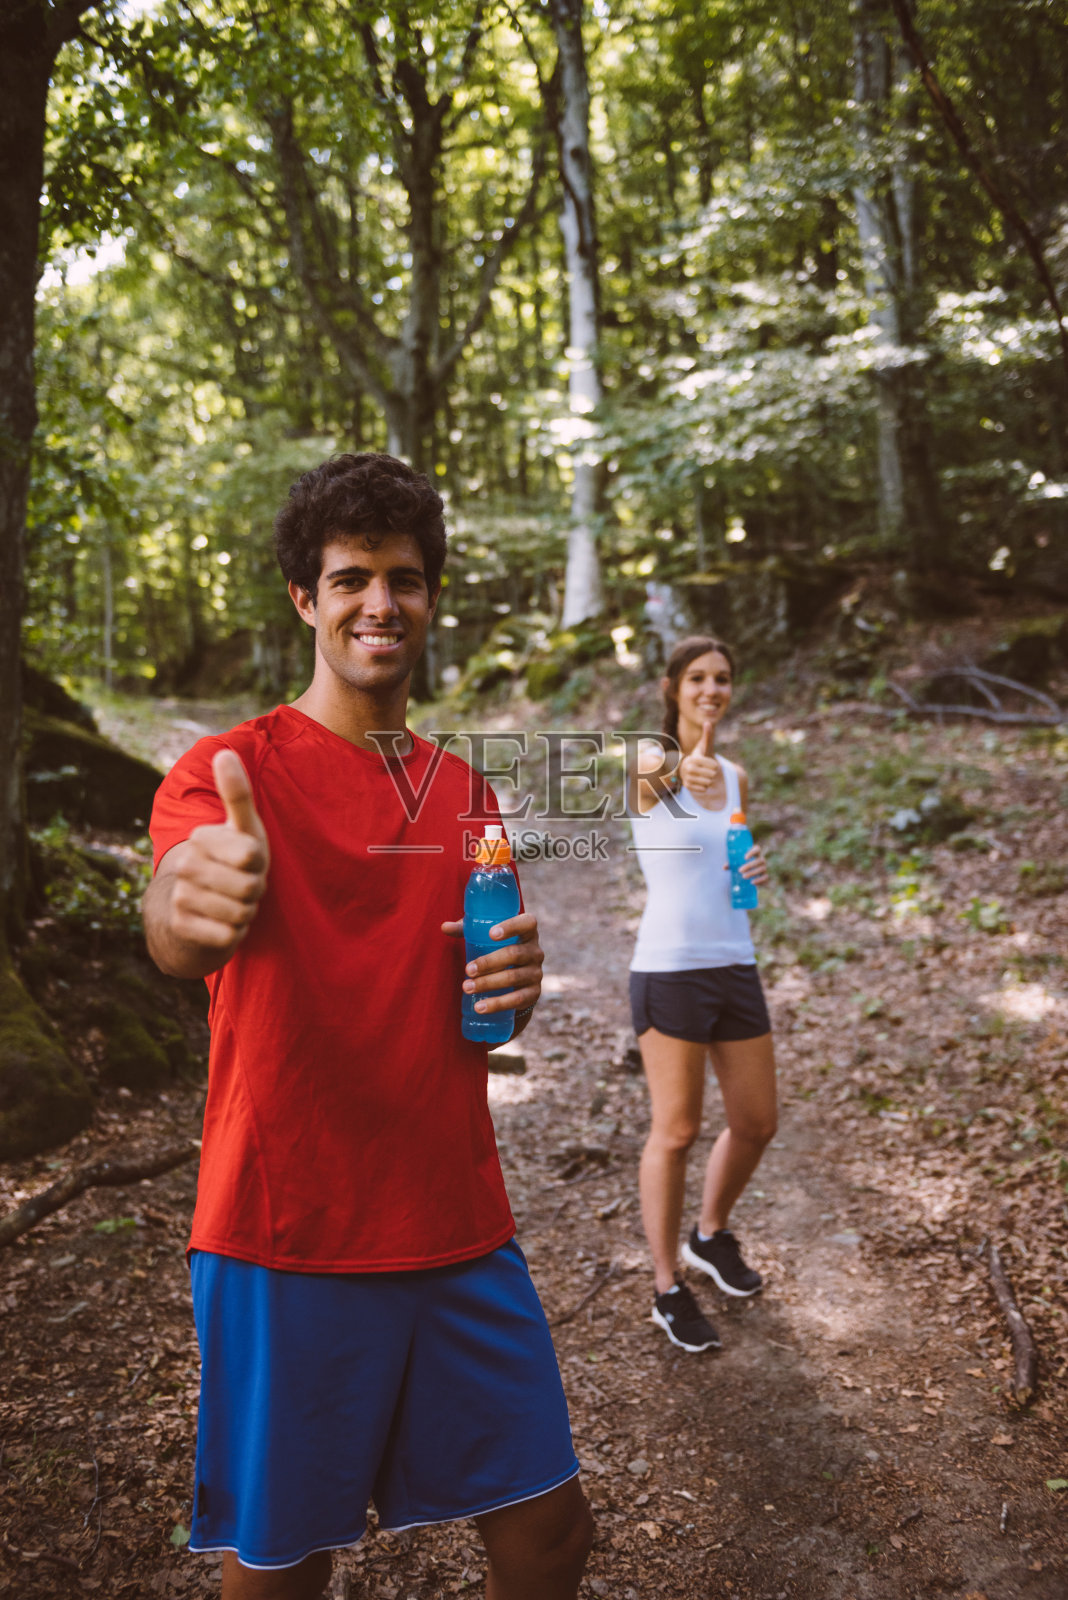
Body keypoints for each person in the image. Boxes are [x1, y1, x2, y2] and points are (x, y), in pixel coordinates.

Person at [143, 453, 592, 1600]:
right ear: (306, 598)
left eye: (403, 577)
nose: (378, 602)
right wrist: (191, 902)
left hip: (454, 1218)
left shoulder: (465, 791)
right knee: (288, 1570)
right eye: (350, 578)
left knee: (551, 1537)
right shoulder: (223, 772)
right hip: (288, 1230)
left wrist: (517, 990)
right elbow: (179, 922)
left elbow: (480, 1016)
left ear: (431, 596)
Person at [627, 635, 775, 1354]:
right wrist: (689, 765)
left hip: (733, 962)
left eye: (722, 678)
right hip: (668, 969)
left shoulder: (737, 775)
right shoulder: (649, 764)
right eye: (698, 678)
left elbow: (725, 862)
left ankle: (708, 1235)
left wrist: (754, 866)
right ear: (672, 687)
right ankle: (664, 1286)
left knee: (757, 1121)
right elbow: (649, 793)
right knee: (676, 1130)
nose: (712, 689)